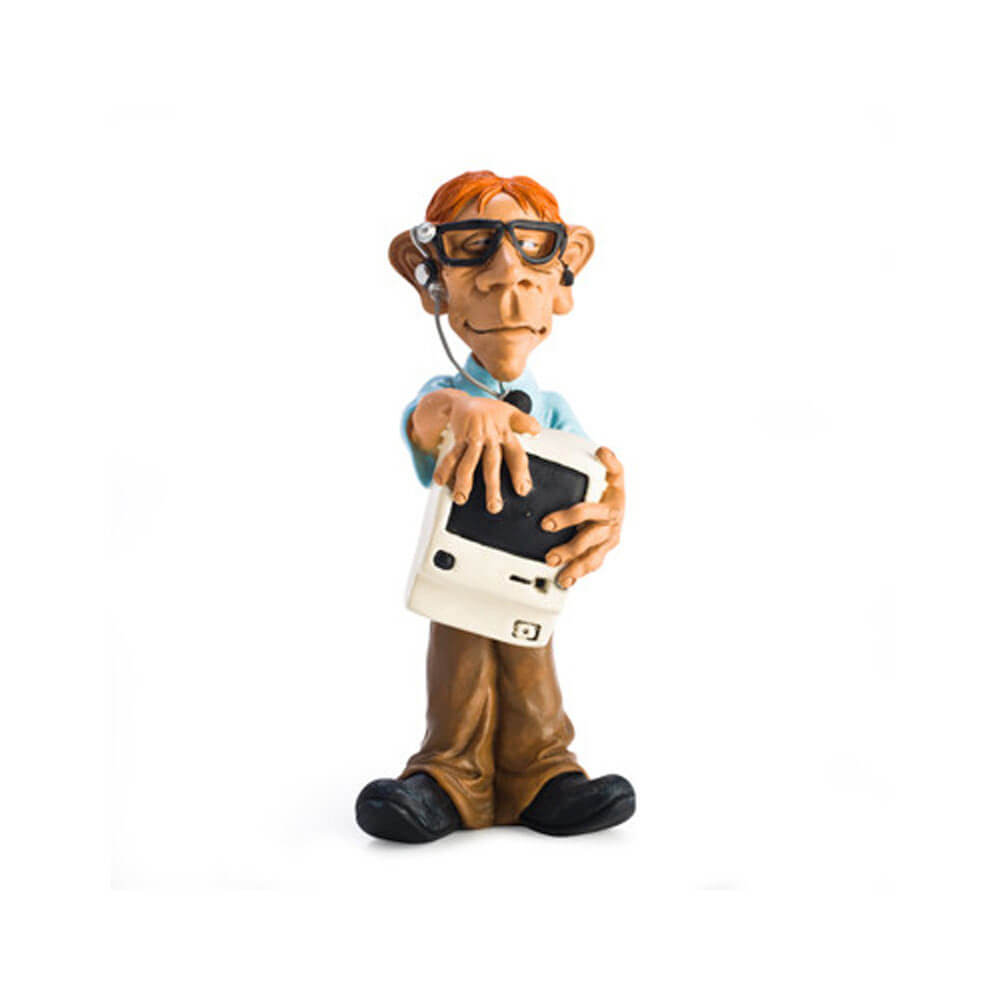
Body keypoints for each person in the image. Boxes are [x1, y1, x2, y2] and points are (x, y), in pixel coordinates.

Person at [355, 171, 635, 842]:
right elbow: (425, 419)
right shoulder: (447, 393)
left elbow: (591, 470)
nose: (508, 275)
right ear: (431, 281)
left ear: (564, 275)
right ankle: (448, 774)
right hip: (464, 556)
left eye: (533, 249)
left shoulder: (553, 410)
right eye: (474, 247)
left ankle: (544, 769)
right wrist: (463, 407)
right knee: (461, 651)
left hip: (535, 562)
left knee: (529, 650)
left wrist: (610, 509)